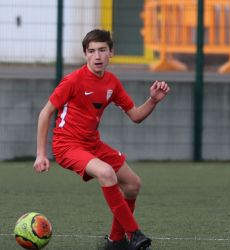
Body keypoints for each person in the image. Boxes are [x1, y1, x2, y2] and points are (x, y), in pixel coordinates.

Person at [33, 29, 170, 249]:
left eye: (102, 50)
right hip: (67, 146)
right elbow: (45, 112)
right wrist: (41, 154)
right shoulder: (73, 81)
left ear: (111, 53)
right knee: (106, 172)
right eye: (92, 51)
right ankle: (133, 233)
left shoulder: (111, 83)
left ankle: (115, 242)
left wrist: (153, 101)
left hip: (92, 144)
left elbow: (135, 116)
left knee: (133, 184)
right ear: (85, 54)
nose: (97, 56)